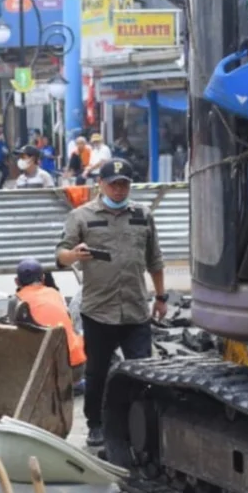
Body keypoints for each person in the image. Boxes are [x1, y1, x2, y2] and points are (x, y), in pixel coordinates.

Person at [55, 158, 168, 449]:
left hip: (135, 310)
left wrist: (161, 297)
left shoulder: (143, 215)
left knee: (141, 372)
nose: (119, 189)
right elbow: (60, 254)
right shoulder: (81, 216)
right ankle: (96, 424)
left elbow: (155, 260)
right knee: (97, 372)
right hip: (99, 311)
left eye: (124, 184)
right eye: (113, 184)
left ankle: (137, 427)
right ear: (101, 185)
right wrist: (73, 255)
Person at [14, 258, 86, 376]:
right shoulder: (55, 294)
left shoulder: (17, 300)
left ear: (17, 282)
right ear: (43, 278)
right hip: (76, 364)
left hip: (47, 371)